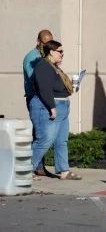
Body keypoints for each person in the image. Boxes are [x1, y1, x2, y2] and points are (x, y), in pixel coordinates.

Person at [29, 40, 81, 180]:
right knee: (45, 140)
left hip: (63, 105)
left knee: (61, 140)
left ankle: (64, 170)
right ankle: (25, 170)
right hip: (47, 106)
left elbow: (58, 86)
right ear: (51, 52)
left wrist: (74, 84)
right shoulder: (43, 66)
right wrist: (52, 107)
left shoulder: (54, 67)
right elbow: (44, 88)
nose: (62, 54)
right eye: (60, 51)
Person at [23, 29, 54, 177]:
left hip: (45, 98)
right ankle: (34, 166)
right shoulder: (32, 57)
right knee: (39, 134)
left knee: (42, 134)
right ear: (38, 41)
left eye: (50, 42)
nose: (48, 45)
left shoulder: (45, 57)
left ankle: (39, 167)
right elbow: (36, 80)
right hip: (35, 99)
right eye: (45, 43)